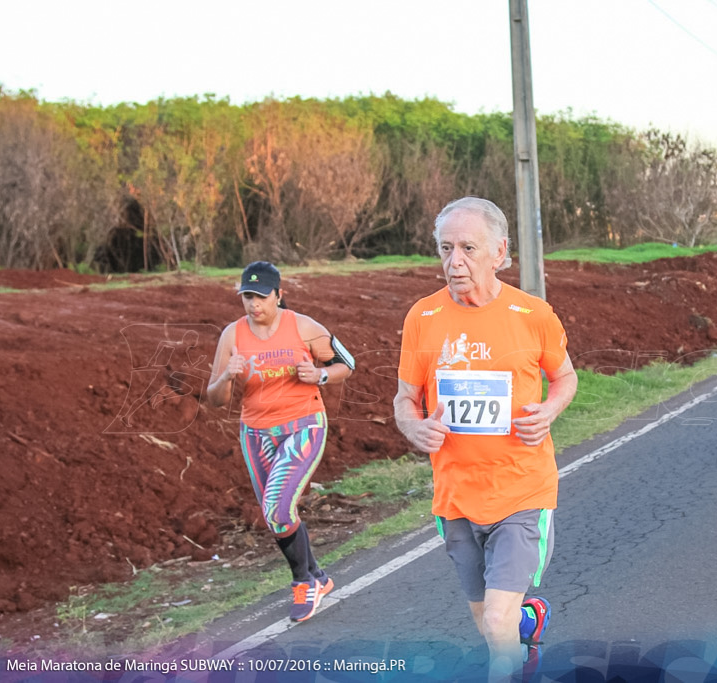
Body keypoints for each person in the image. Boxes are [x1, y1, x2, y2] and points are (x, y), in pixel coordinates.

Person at [393, 197, 578, 680]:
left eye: (468, 248)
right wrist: (414, 427)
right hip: (455, 497)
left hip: (522, 491)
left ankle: (514, 641)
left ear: (499, 252)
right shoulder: (423, 318)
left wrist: (549, 411)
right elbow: (404, 399)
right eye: (446, 248)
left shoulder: (532, 314)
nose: (455, 262)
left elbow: (566, 378)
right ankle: (527, 622)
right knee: (489, 623)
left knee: (496, 624)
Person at [207, 261, 355, 622]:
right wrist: (228, 375)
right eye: (247, 297)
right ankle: (319, 576)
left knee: (276, 508)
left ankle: (303, 582)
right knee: (279, 516)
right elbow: (215, 398)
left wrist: (319, 374)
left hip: (303, 425)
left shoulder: (303, 327)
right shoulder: (232, 335)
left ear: (278, 295)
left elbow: (347, 363)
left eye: (260, 296)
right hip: (256, 433)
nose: (253, 304)